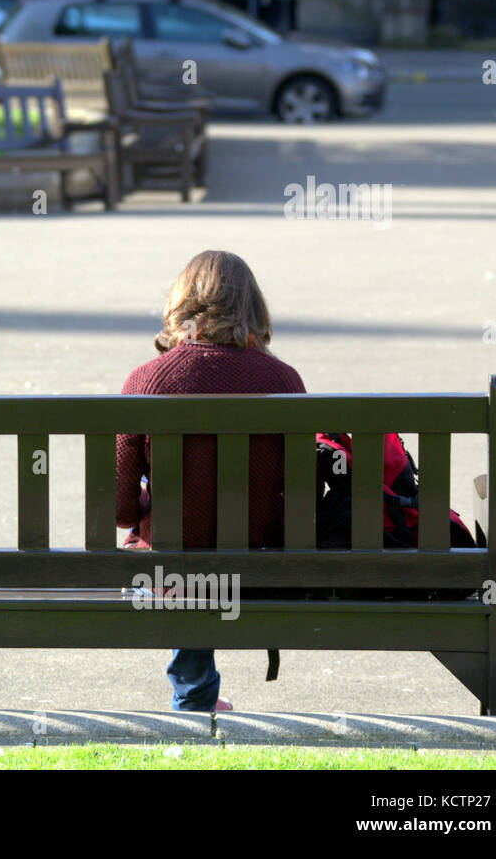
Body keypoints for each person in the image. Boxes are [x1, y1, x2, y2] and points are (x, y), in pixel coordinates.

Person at [115, 250, 307, 711]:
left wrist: (153, 503)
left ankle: (195, 696)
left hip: (165, 576)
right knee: (204, 545)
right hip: (260, 570)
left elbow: (118, 507)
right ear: (253, 309)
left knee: (177, 546)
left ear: (181, 305)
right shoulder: (284, 381)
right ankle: (196, 697)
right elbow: (302, 498)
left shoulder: (146, 381)